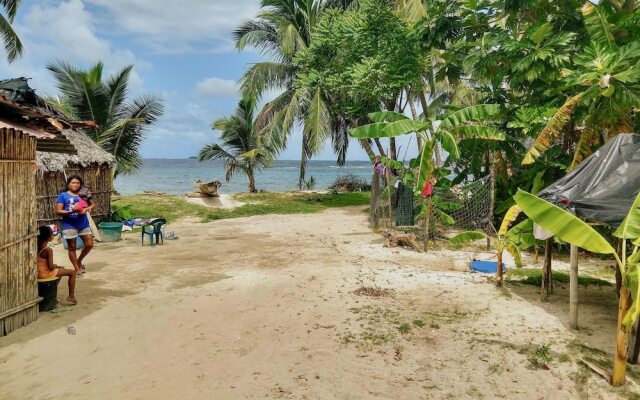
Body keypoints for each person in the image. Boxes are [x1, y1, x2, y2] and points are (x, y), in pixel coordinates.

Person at [55, 176, 95, 276]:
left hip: (83, 223)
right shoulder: (63, 195)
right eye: (73, 182)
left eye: (77, 183)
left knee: (89, 244)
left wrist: (87, 209)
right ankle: (76, 268)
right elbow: (58, 211)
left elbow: (92, 204)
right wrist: (71, 211)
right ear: (68, 184)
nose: (75, 185)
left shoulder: (83, 194)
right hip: (69, 224)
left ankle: (79, 260)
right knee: (72, 247)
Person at [37, 225, 77, 305]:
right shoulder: (48, 250)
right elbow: (51, 267)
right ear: (49, 237)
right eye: (52, 234)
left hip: (39, 272)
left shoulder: (37, 246)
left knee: (61, 270)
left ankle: (51, 292)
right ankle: (71, 296)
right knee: (72, 272)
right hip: (45, 274)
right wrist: (56, 266)